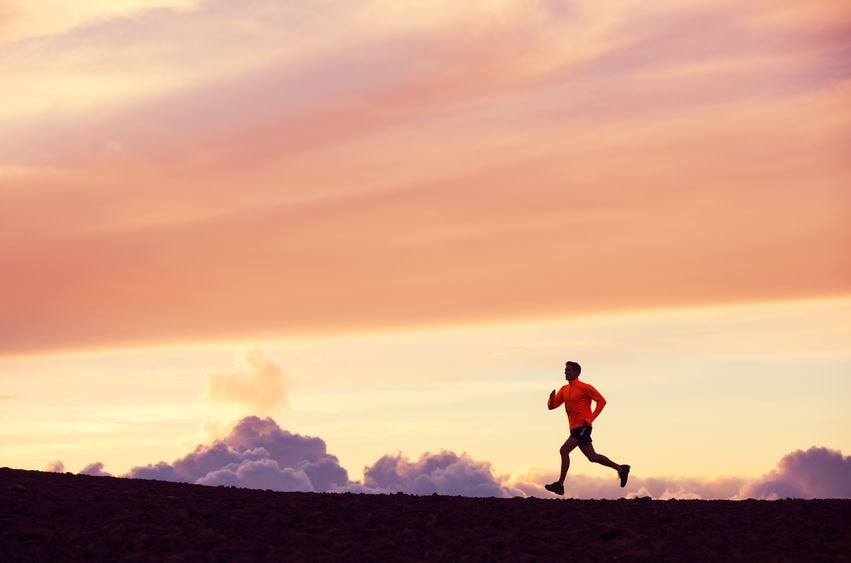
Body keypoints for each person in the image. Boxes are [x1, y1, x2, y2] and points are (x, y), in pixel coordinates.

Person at [544, 361, 629, 495]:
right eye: (565, 370)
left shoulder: (584, 387)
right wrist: (551, 399)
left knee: (563, 450)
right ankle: (621, 469)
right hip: (573, 428)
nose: (565, 372)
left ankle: (560, 484)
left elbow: (602, 401)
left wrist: (589, 419)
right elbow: (552, 406)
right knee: (592, 457)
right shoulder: (564, 389)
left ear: (576, 373)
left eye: (568, 370)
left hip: (582, 427)